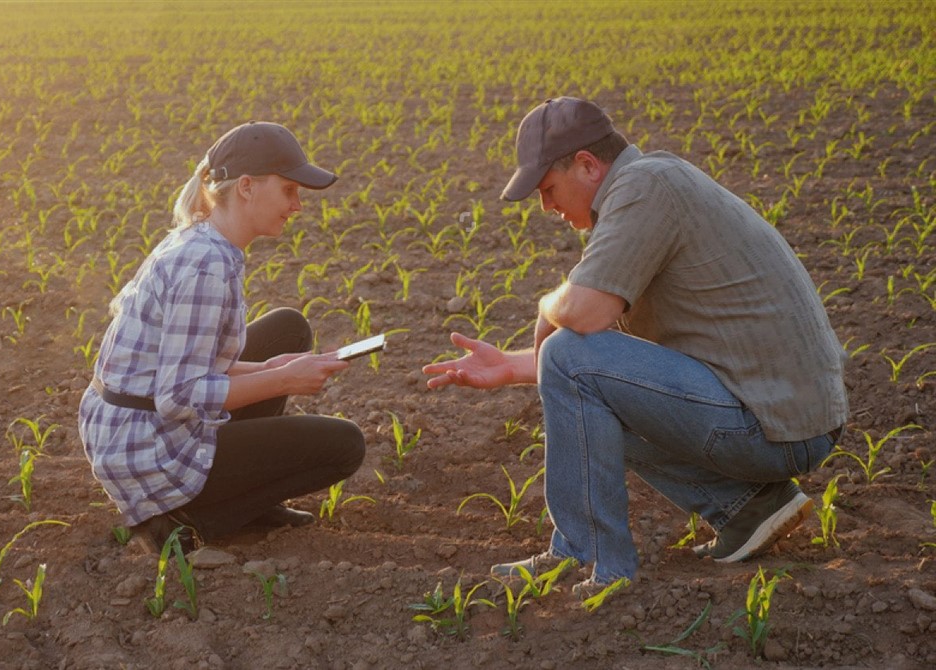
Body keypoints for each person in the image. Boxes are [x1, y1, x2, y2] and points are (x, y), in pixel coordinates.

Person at [423, 97, 847, 596]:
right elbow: (615, 364)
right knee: (581, 381)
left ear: (586, 165)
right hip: (780, 415)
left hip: (773, 423)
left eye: (548, 189)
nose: (547, 207)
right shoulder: (651, 185)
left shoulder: (646, 187)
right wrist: (513, 366)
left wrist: (545, 306)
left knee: (566, 350)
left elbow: (581, 320)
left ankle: (587, 558)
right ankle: (748, 508)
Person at [80, 122, 366, 553]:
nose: (298, 205)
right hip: (147, 450)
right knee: (345, 446)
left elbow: (193, 360)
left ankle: (251, 500)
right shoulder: (205, 266)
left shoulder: (205, 240)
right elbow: (178, 396)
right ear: (247, 187)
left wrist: (271, 368)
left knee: (286, 332)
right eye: (290, 189)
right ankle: (178, 524)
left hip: (129, 428)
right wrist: (285, 380)